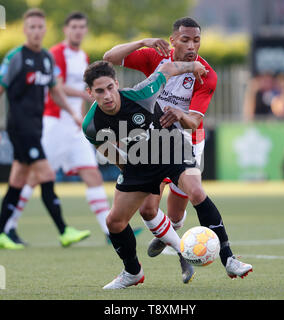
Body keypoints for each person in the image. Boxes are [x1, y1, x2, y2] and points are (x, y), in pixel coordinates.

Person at [82, 60, 253, 289]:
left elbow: (167, 70)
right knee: (114, 221)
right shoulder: (91, 125)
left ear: (116, 83)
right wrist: (132, 175)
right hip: (140, 160)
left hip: (171, 148)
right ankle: (133, 272)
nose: (107, 96)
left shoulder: (141, 93)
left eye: (110, 88)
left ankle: (229, 259)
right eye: (99, 91)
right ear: (89, 93)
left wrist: (192, 65)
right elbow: (110, 152)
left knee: (196, 192)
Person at [3, 12, 143, 245]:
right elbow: (57, 88)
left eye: (81, 27)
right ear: (66, 30)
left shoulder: (82, 56)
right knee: (33, 177)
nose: (78, 31)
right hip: (54, 124)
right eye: (74, 27)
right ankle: (9, 227)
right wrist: (83, 96)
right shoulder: (56, 53)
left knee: (92, 175)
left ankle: (110, 231)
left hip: (76, 125)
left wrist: (79, 110)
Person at [103, 18, 219, 262]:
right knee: (147, 208)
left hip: (188, 141)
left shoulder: (205, 74)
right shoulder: (156, 58)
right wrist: (143, 41)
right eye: (185, 40)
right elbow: (109, 57)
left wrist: (179, 114)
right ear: (173, 40)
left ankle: (171, 231)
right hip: (156, 141)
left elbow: (195, 122)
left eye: (196, 41)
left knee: (176, 214)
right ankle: (180, 249)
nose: (191, 46)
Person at [0, 8, 90, 249]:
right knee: (47, 175)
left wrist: (73, 113)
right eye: (32, 27)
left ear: (45, 29)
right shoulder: (16, 57)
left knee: (18, 180)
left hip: (36, 126)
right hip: (20, 127)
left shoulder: (47, 59)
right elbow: (1, 87)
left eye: (40, 27)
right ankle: (64, 230)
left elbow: (56, 91)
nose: (37, 32)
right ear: (25, 30)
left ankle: (1, 232)